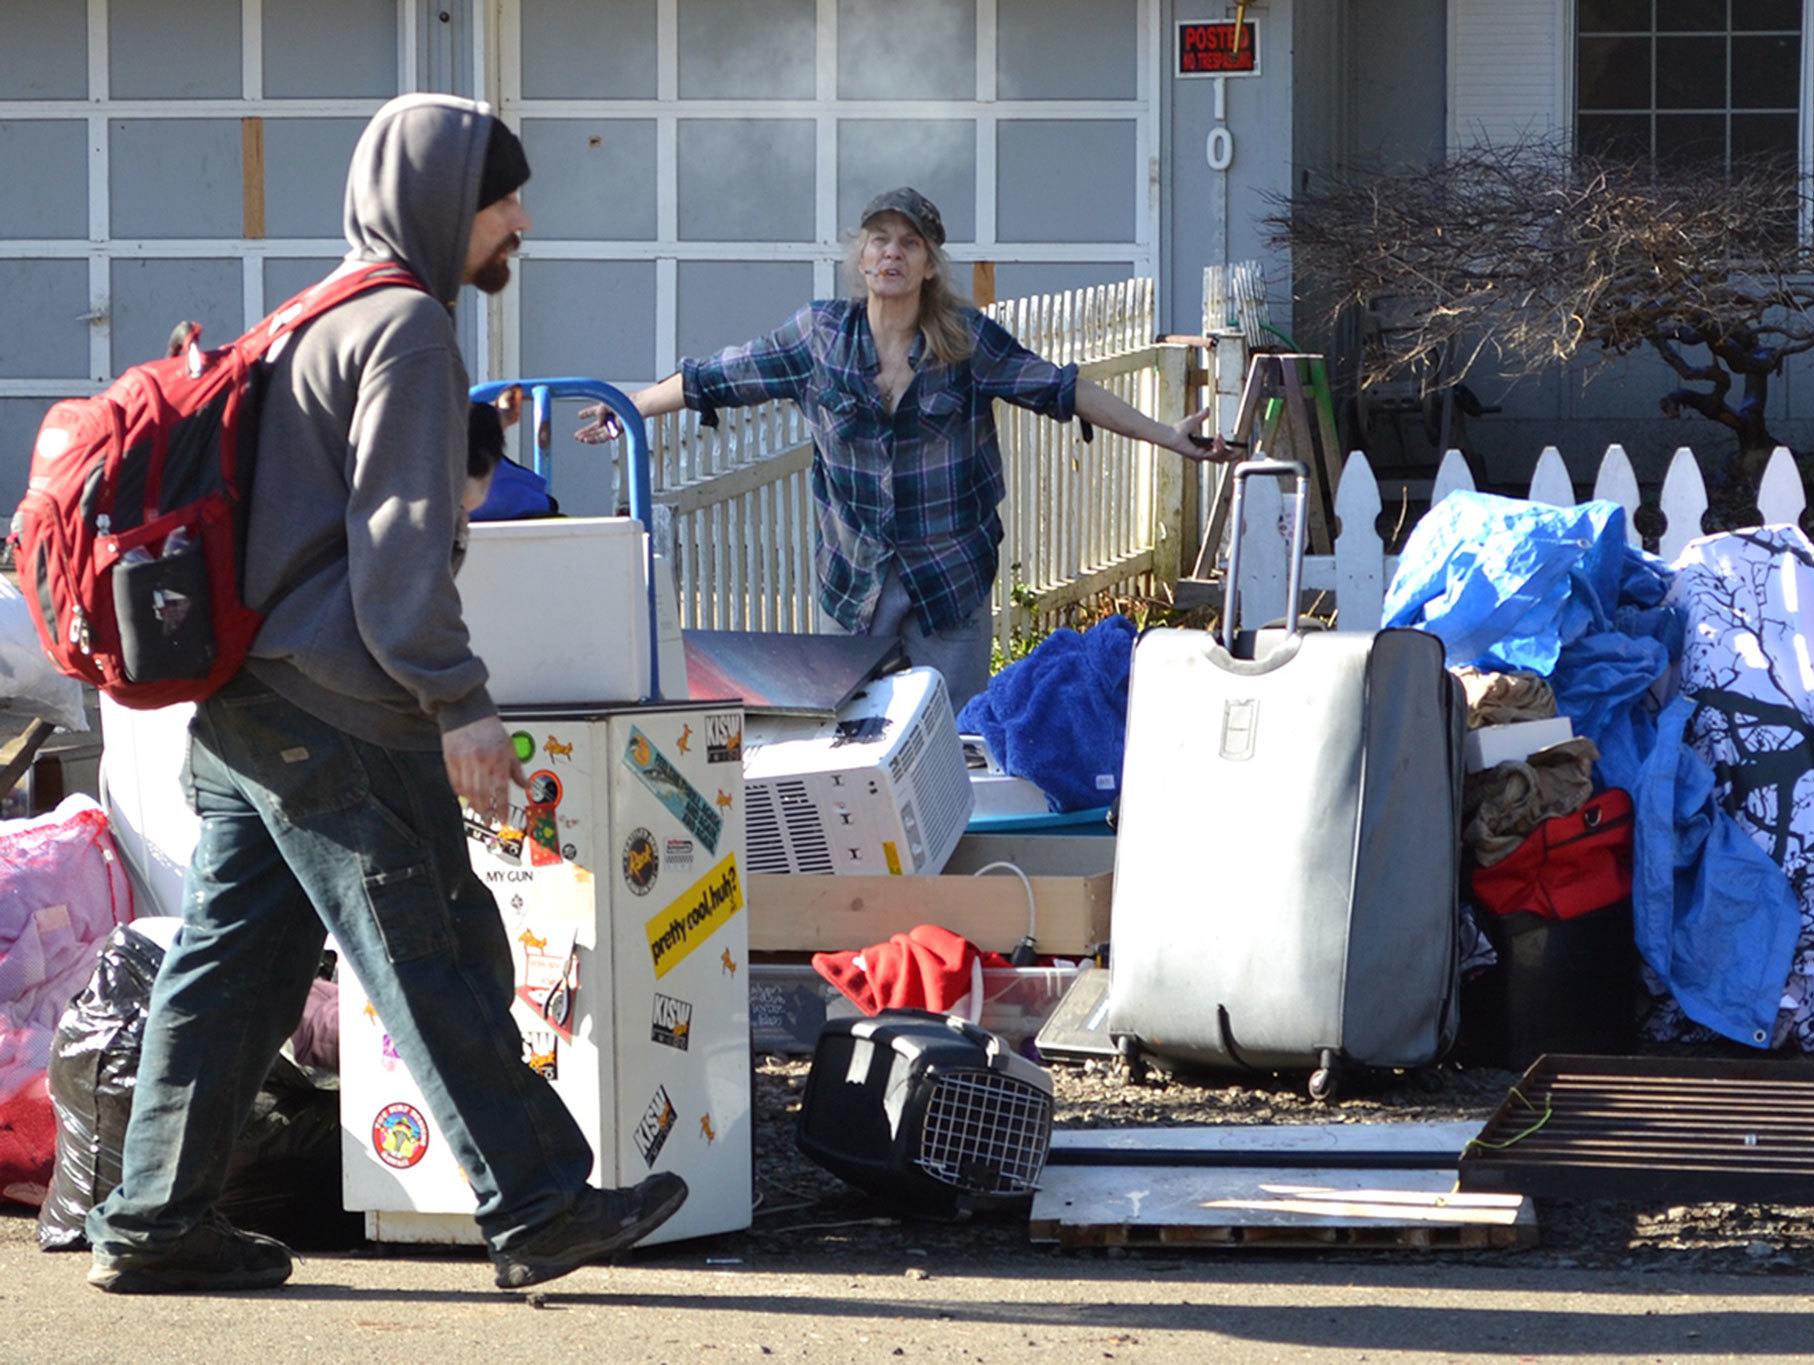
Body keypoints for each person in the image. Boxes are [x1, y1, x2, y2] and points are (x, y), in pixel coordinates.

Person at [84, 94, 684, 1296]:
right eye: (502, 199)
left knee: (234, 963)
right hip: (343, 705)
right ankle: (540, 1204)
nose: (519, 221)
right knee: (432, 950)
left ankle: (152, 1221)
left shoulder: (320, 310)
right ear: (442, 202)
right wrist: (456, 699)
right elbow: (400, 541)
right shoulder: (407, 328)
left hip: (252, 697)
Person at [576, 187, 1225, 710]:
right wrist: (626, 406)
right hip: (853, 586)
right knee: (850, 737)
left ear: (930, 263)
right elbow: (710, 378)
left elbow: (1064, 390)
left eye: (908, 242)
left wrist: (1168, 436)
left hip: (948, 582)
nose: (892, 253)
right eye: (879, 240)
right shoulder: (819, 338)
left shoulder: (966, 342)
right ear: (860, 258)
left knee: (957, 736)